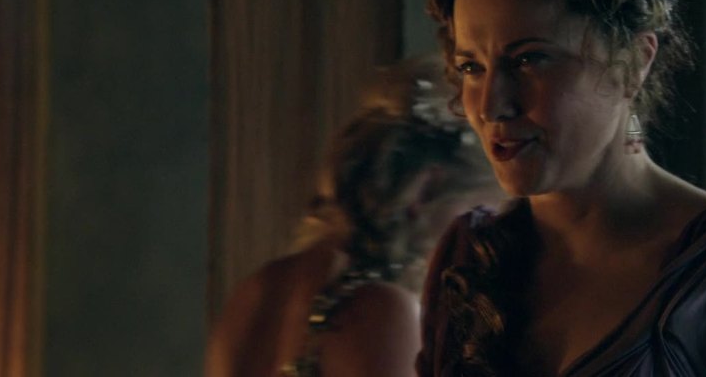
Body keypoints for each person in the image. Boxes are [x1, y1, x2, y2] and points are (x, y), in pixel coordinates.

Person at [416, 0, 706, 375]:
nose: (492, 105)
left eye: (529, 59)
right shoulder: (466, 259)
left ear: (635, 60)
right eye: (471, 67)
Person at [205, 55, 505, 377]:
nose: (481, 243)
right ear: (423, 189)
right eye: (480, 216)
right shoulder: (384, 313)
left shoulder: (258, 290)